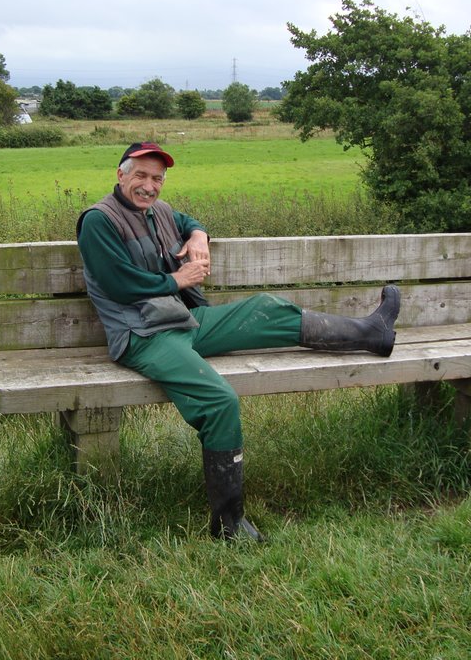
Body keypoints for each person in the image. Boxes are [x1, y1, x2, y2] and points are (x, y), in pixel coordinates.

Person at [76, 142, 400, 542]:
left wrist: (198, 234)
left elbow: (185, 218)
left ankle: (372, 333)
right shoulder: (99, 221)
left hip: (183, 321)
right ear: (120, 174)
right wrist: (179, 279)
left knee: (266, 309)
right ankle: (229, 524)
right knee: (219, 400)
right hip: (142, 334)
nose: (149, 185)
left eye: (157, 177)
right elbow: (118, 284)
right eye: (140, 175)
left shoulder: (157, 211)